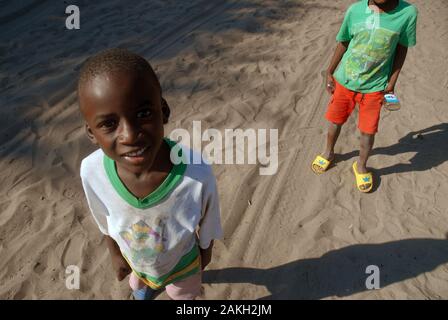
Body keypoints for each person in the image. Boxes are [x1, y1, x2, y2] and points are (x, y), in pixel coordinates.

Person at [78, 48, 222, 300]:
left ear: (163, 111)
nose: (130, 135)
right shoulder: (91, 171)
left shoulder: (196, 172)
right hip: (136, 262)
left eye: (143, 114)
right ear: (91, 133)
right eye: (109, 124)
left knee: (183, 294)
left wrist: (204, 256)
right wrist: (114, 253)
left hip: (183, 264)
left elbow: (208, 222)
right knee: (139, 285)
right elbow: (103, 218)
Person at [311, 0, 418, 192]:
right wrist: (330, 71)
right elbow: (343, 41)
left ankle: (361, 166)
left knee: (368, 131)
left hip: (375, 87)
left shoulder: (408, 13)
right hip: (345, 81)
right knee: (334, 121)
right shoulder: (355, 10)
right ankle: (328, 153)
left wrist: (392, 83)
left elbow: (402, 48)